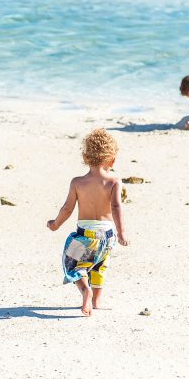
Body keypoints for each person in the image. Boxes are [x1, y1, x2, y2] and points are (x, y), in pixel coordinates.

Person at [46, 128, 130, 316]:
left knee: (73, 264)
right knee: (100, 265)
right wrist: (122, 233)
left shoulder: (77, 182)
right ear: (112, 160)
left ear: (85, 157)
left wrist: (55, 224)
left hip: (85, 235)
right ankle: (97, 300)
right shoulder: (114, 181)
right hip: (108, 237)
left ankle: (85, 291)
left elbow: (67, 209)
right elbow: (117, 207)